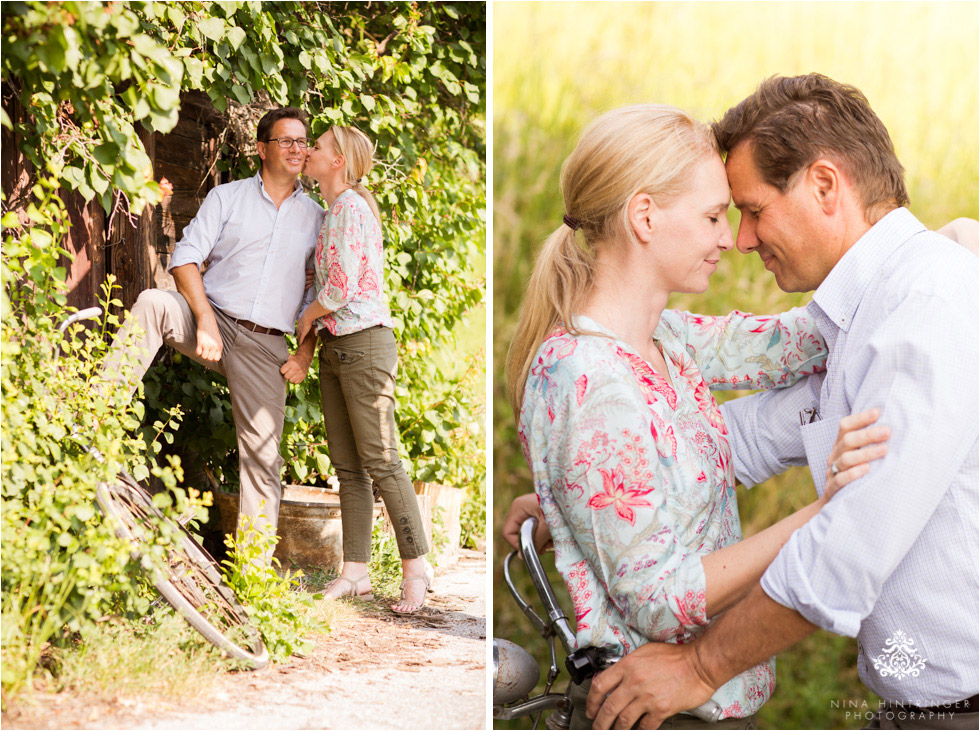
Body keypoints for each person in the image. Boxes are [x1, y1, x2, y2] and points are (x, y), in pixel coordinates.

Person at [584, 75, 979, 730]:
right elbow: (745, 435)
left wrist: (698, 667)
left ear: (825, 186)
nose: (741, 239)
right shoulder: (872, 310)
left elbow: (849, 546)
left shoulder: (926, 308)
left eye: (753, 209)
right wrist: (593, 481)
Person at [505, 104, 893, 728]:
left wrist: (930, 252)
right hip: (656, 709)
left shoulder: (665, 337)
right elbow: (661, 599)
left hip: (713, 708)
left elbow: (802, 341)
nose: (730, 238)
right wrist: (827, 513)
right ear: (644, 216)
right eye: (714, 216)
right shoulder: (583, 379)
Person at [104, 107, 323, 545]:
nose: (297, 149)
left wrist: (305, 352)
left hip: (265, 344)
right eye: (286, 141)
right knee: (152, 302)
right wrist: (204, 319)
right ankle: (91, 423)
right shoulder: (229, 198)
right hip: (214, 313)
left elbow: (316, 295)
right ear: (262, 149)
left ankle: (254, 578)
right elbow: (184, 259)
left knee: (263, 462)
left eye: (303, 141)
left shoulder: (317, 217)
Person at [293, 124, 432, 614]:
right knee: (349, 467)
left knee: (382, 459)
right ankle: (355, 573)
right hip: (337, 347)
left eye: (319, 146)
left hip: (364, 345)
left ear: (339, 161)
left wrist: (306, 317)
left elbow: (340, 289)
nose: (309, 151)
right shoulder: (333, 212)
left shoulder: (351, 207)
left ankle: (416, 567)